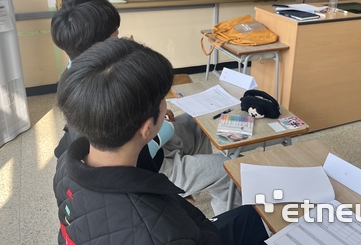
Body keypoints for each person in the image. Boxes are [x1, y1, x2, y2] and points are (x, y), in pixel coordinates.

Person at [53, 38, 269, 244]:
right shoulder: (157, 231)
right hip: (189, 233)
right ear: (147, 129)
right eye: (163, 99)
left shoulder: (66, 165)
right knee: (260, 217)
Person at [51, 0, 239, 215]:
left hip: (148, 143)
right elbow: (127, 148)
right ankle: (221, 213)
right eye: (115, 34)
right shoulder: (104, 91)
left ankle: (197, 185)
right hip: (144, 164)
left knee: (197, 125)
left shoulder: (76, 78)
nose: (119, 35)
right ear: (102, 49)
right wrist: (162, 125)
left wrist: (154, 115)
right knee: (230, 172)